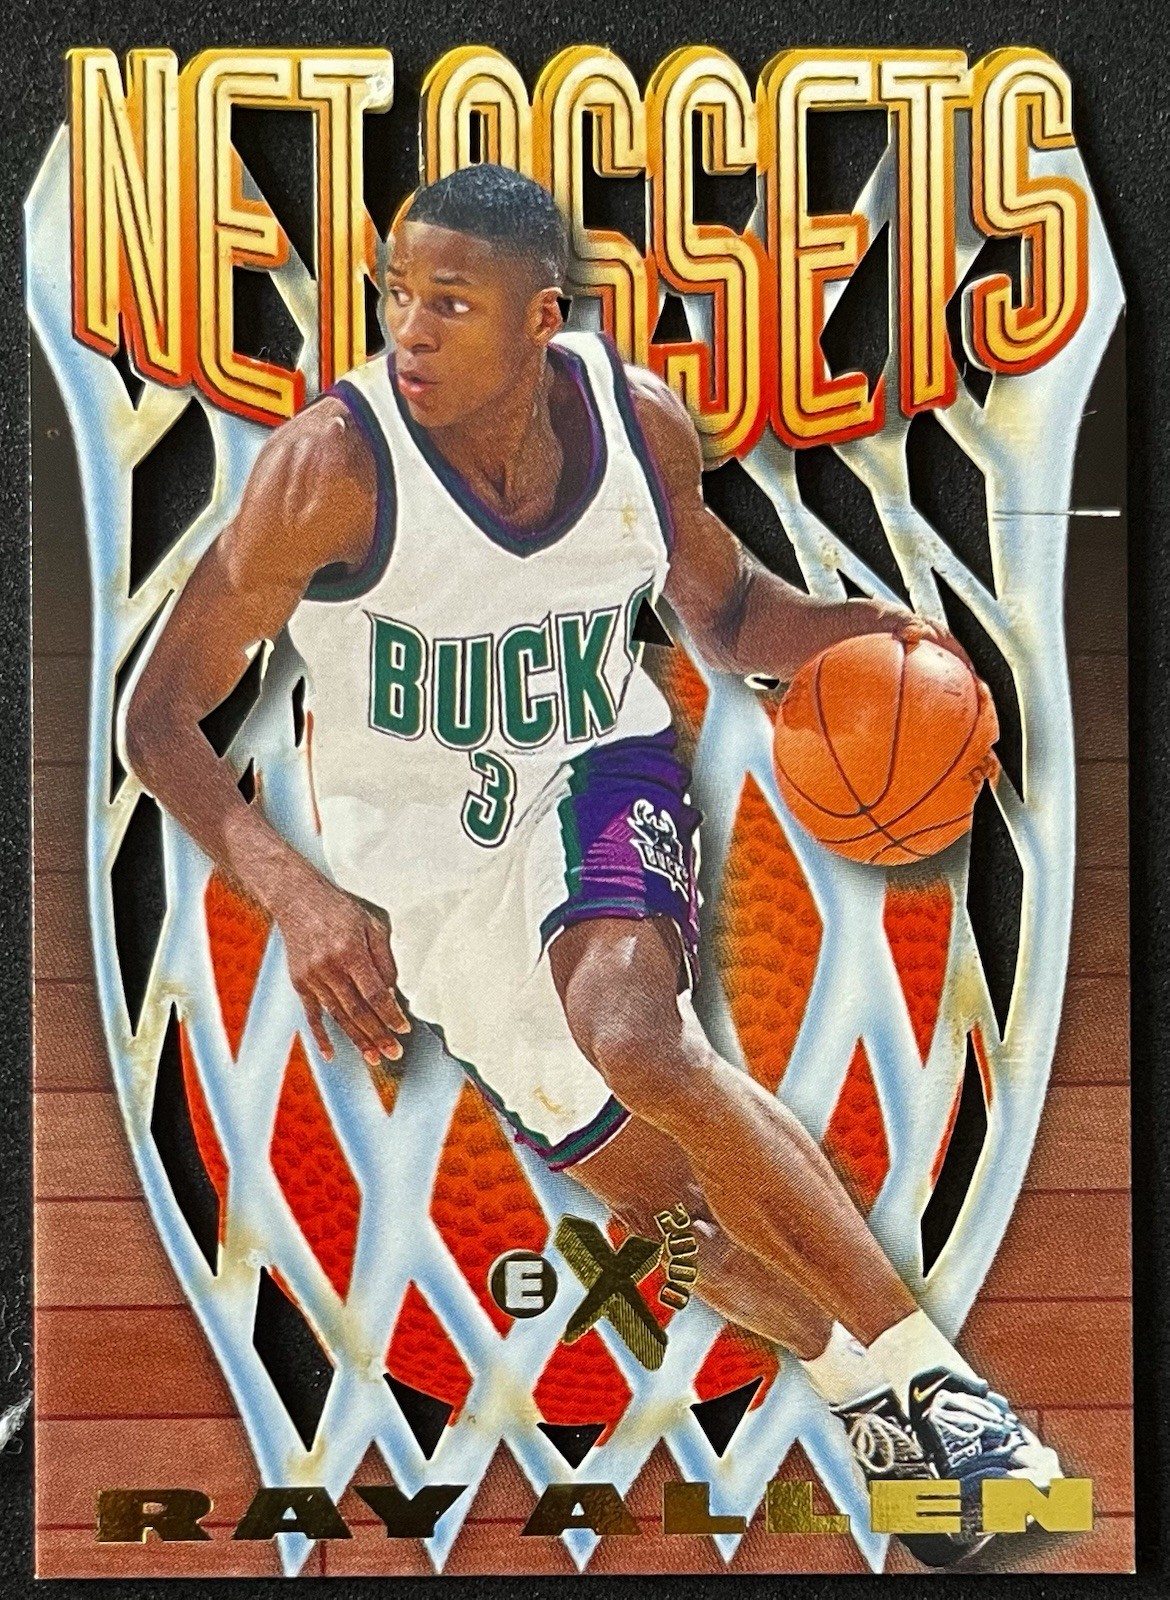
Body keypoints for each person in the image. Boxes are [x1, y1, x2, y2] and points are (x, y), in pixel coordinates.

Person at [125, 163, 1059, 1564]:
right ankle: (861, 1391)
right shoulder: (328, 469)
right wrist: (299, 890)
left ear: (539, 316)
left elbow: (726, 613)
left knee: (632, 1030)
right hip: (429, 885)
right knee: (670, 1212)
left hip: (594, 772)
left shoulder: (637, 427)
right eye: (397, 296)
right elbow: (157, 717)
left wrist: (870, 638)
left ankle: (943, 1392)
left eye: (451, 303)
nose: (410, 330)